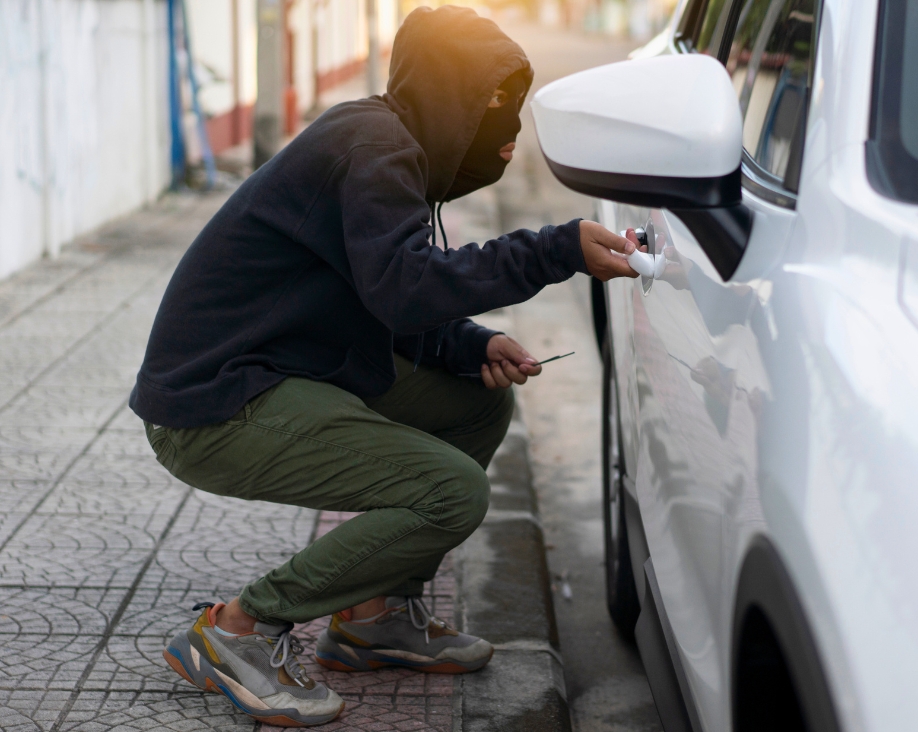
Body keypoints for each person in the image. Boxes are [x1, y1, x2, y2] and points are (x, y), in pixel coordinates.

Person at [131, 6, 637, 726]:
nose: (507, 133)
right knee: (451, 492)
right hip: (217, 402)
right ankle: (240, 629)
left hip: (280, 369)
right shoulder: (375, 146)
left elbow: (384, 298)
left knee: (477, 403)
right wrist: (553, 251)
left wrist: (467, 345)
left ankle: (374, 619)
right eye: (492, 104)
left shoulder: (382, 141)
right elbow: (405, 285)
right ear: (448, 97)